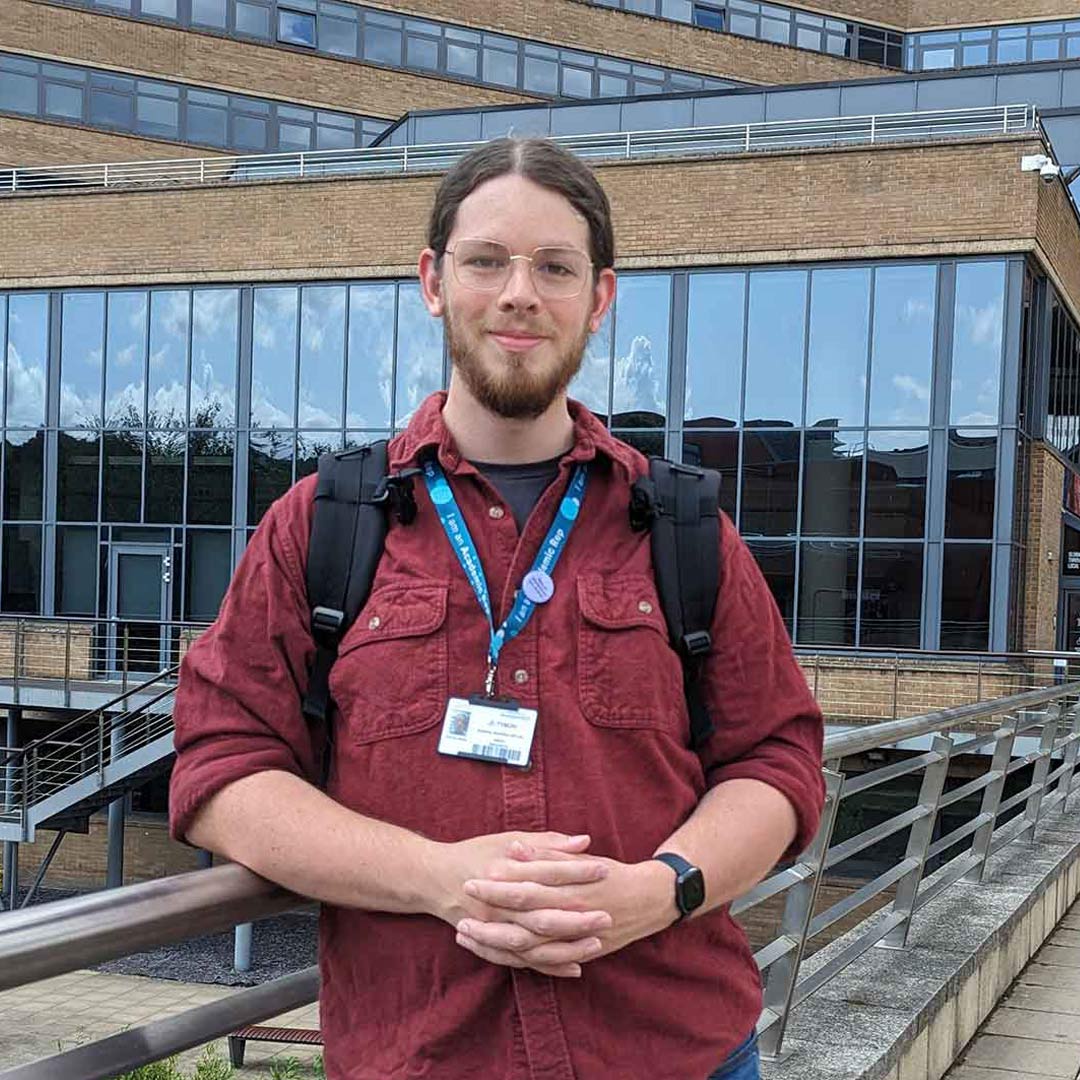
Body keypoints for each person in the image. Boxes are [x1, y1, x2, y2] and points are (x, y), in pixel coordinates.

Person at [169, 137, 825, 1080]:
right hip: (422, 1056)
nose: (520, 292)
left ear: (599, 298)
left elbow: (778, 759)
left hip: (674, 1052)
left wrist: (660, 890)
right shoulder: (322, 525)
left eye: (555, 267)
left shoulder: (683, 529)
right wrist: (441, 881)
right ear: (435, 281)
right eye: (487, 260)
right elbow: (224, 768)